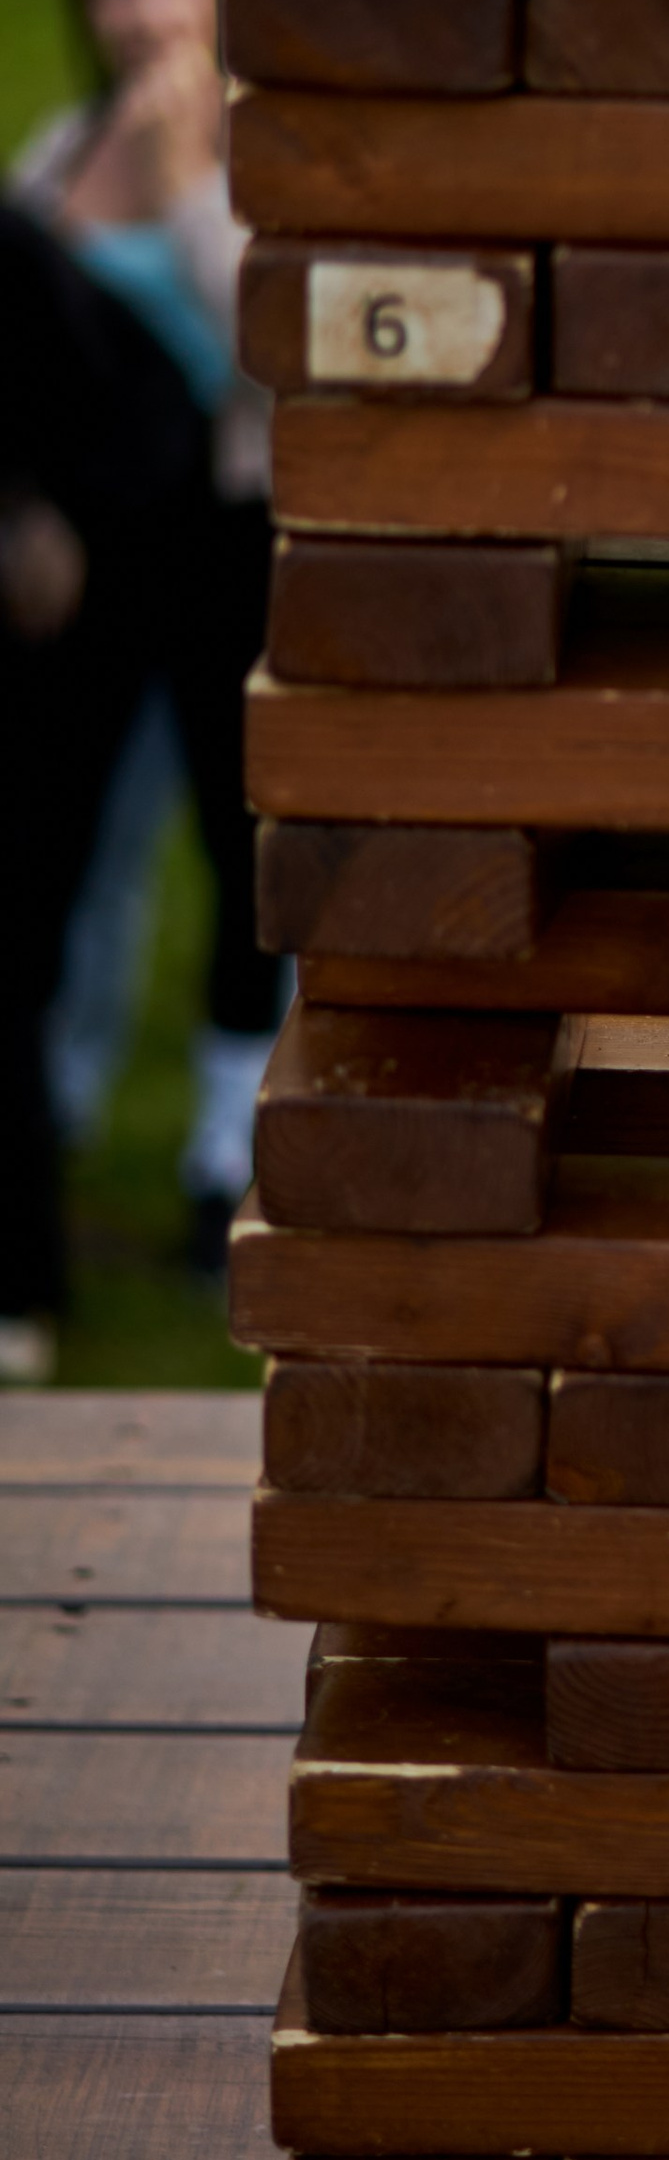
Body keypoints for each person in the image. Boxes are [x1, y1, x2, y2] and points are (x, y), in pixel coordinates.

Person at [13, 0, 282, 1270]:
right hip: (93, 567)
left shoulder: (266, 146)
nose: (145, 9)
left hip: (232, 551)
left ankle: (224, 1158)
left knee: (242, 858)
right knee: (81, 855)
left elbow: (270, 352)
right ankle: (45, 1126)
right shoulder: (53, 160)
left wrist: (185, 187)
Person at [0, 203, 210, 1372]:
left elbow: (134, 435)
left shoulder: (20, 266)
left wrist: (37, 511)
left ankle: (22, 1284)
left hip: (78, 626)